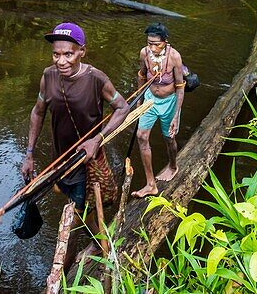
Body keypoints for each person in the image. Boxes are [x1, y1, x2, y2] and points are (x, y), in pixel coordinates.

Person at [20, 22, 128, 219]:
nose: (61, 61)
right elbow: (38, 112)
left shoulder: (96, 78)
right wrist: (29, 154)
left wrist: (98, 139)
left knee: (75, 219)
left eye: (68, 54)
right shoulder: (48, 76)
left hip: (85, 160)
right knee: (76, 206)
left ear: (82, 52)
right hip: (59, 158)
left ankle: (77, 249)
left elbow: (123, 107)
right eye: (56, 54)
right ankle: (98, 240)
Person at [132, 22, 184, 198]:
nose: (153, 48)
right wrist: (139, 102)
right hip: (150, 100)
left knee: (169, 138)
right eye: (149, 43)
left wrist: (176, 115)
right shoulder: (144, 53)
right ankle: (150, 184)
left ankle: (173, 166)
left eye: (157, 44)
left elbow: (180, 86)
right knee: (141, 136)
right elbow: (141, 76)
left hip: (169, 102)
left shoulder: (174, 57)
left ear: (165, 42)